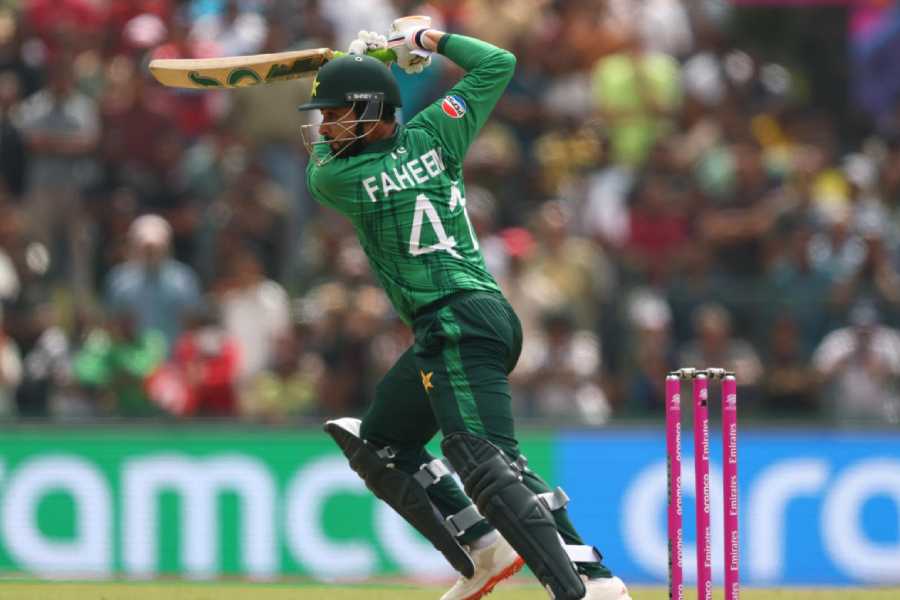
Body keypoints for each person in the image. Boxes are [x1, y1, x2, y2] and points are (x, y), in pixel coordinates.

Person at [300, 17, 630, 600]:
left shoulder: (340, 178)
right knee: (381, 441)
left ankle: (591, 583)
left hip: (455, 320)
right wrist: (424, 42)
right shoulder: (435, 134)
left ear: (371, 113)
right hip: (471, 319)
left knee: (483, 456)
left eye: (335, 114)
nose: (324, 128)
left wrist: (366, 66)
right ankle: (484, 547)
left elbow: (322, 162)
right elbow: (498, 62)